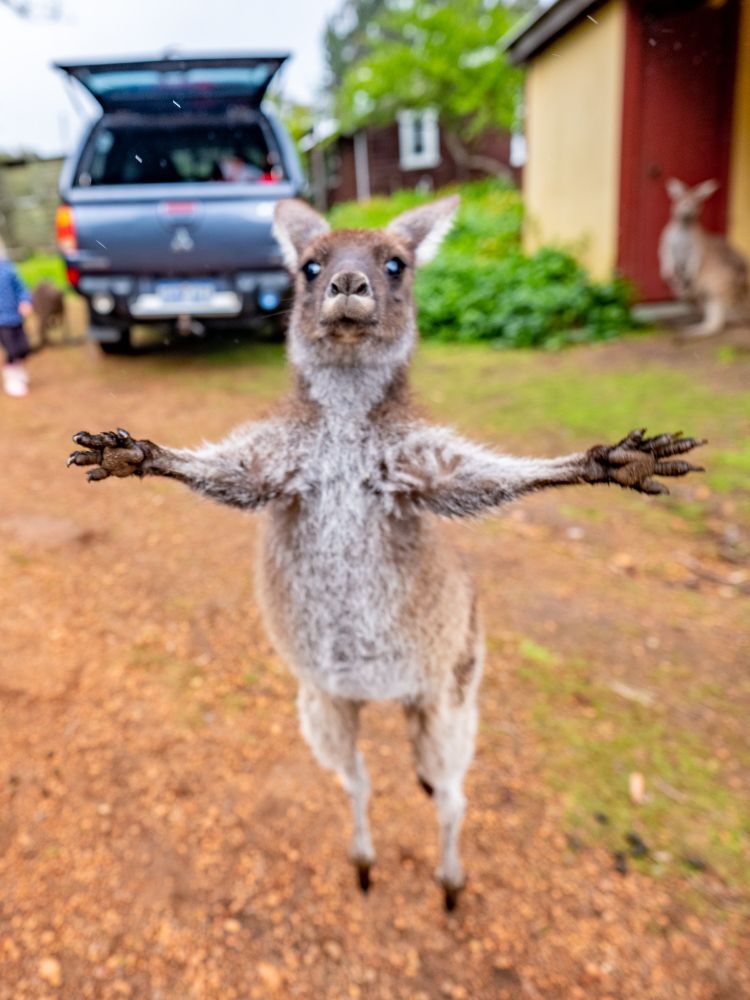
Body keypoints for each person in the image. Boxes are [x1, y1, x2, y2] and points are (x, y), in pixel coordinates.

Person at [0, 237, 33, 397]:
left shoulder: (8, 269)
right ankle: (11, 379)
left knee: (24, 347)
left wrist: (25, 301)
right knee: (11, 349)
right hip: (1, 323)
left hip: (16, 317)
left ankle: (17, 368)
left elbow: (21, 288)